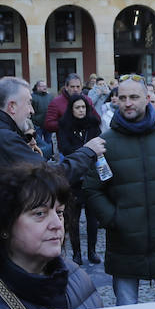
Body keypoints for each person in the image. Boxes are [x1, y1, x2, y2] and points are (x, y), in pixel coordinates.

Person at [82, 76, 155, 306]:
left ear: (147, 98)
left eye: (134, 97)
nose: (128, 103)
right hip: (123, 244)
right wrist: (113, 218)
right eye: (122, 98)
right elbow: (92, 188)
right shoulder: (105, 142)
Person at [0, 163, 103, 309]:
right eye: (40, 214)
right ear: (4, 225)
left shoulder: (76, 276)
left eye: (59, 212)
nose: (56, 224)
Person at [0, 77, 105, 210]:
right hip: (0, 232)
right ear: (12, 106)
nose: (31, 111)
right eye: (28, 104)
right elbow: (51, 175)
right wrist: (88, 152)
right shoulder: (4, 139)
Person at [56, 94, 103, 263]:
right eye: (77, 107)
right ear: (71, 109)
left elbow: (100, 146)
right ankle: (76, 253)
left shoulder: (93, 125)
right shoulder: (65, 125)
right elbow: (64, 147)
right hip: (73, 177)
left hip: (91, 176)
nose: (81, 110)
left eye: (83, 107)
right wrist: (86, 151)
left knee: (92, 218)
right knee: (73, 218)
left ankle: (92, 251)